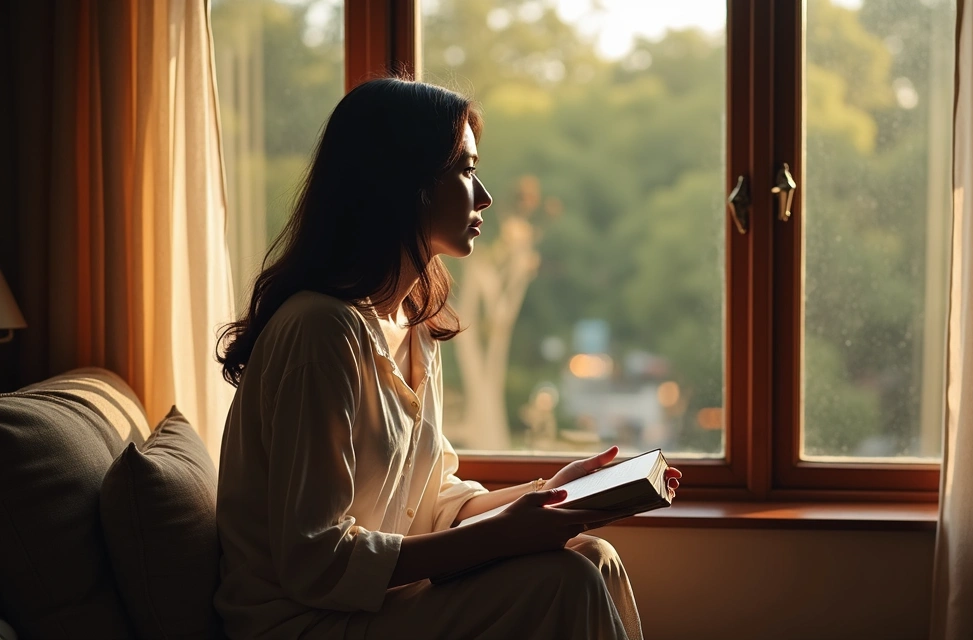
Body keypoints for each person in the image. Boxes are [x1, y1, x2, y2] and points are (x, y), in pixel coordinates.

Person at [213, 76, 681, 640]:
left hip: (371, 603)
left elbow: (431, 500)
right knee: (564, 581)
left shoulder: (413, 325)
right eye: (463, 169)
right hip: (302, 623)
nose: (483, 196)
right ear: (404, 183)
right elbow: (316, 563)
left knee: (591, 554)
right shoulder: (320, 332)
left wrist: (551, 493)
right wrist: (504, 535)